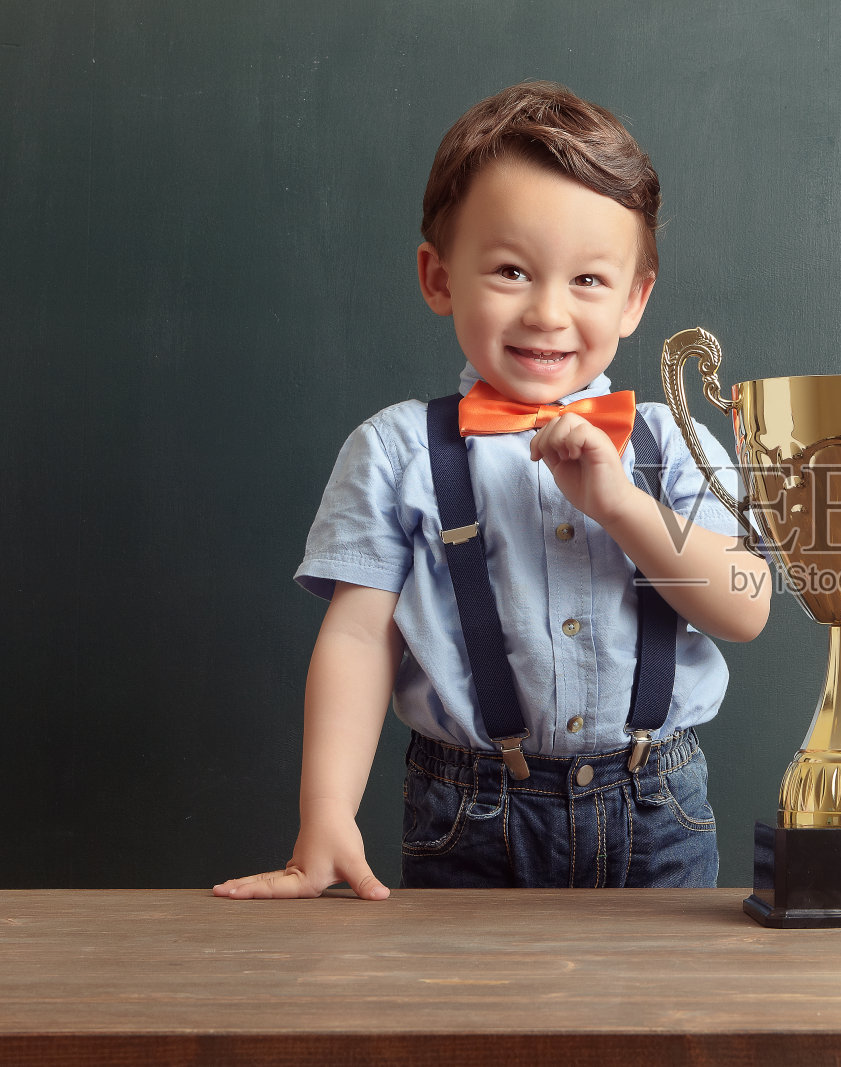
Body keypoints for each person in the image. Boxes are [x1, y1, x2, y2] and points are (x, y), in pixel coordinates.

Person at [214, 82, 770, 899]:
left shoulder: (670, 437)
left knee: (664, 1022)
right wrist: (325, 813)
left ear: (635, 301)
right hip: (468, 811)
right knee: (475, 1024)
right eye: (511, 270)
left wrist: (621, 503)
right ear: (438, 279)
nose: (547, 312)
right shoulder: (396, 448)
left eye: (588, 280)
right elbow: (362, 638)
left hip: (656, 808)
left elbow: (746, 605)